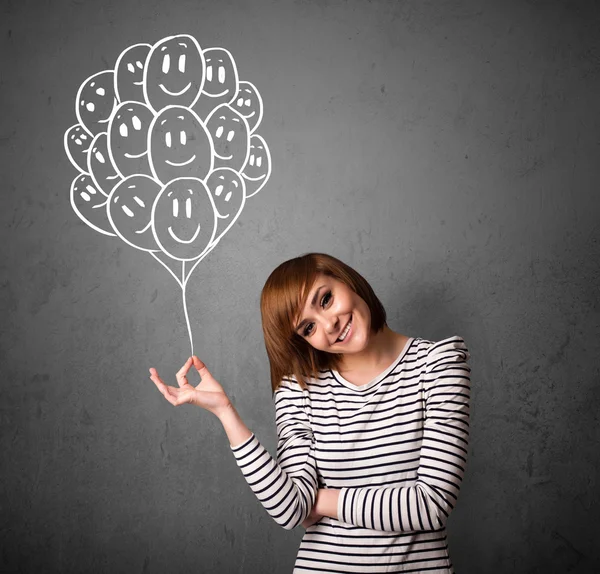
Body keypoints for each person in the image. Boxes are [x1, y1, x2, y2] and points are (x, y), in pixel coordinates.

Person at [149, 252, 471, 573]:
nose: (329, 324)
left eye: (326, 299)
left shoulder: (438, 365)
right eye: (308, 327)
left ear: (346, 280)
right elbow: (290, 510)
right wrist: (225, 412)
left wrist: (321, 501)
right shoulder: (298, 389)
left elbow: (431, 504)